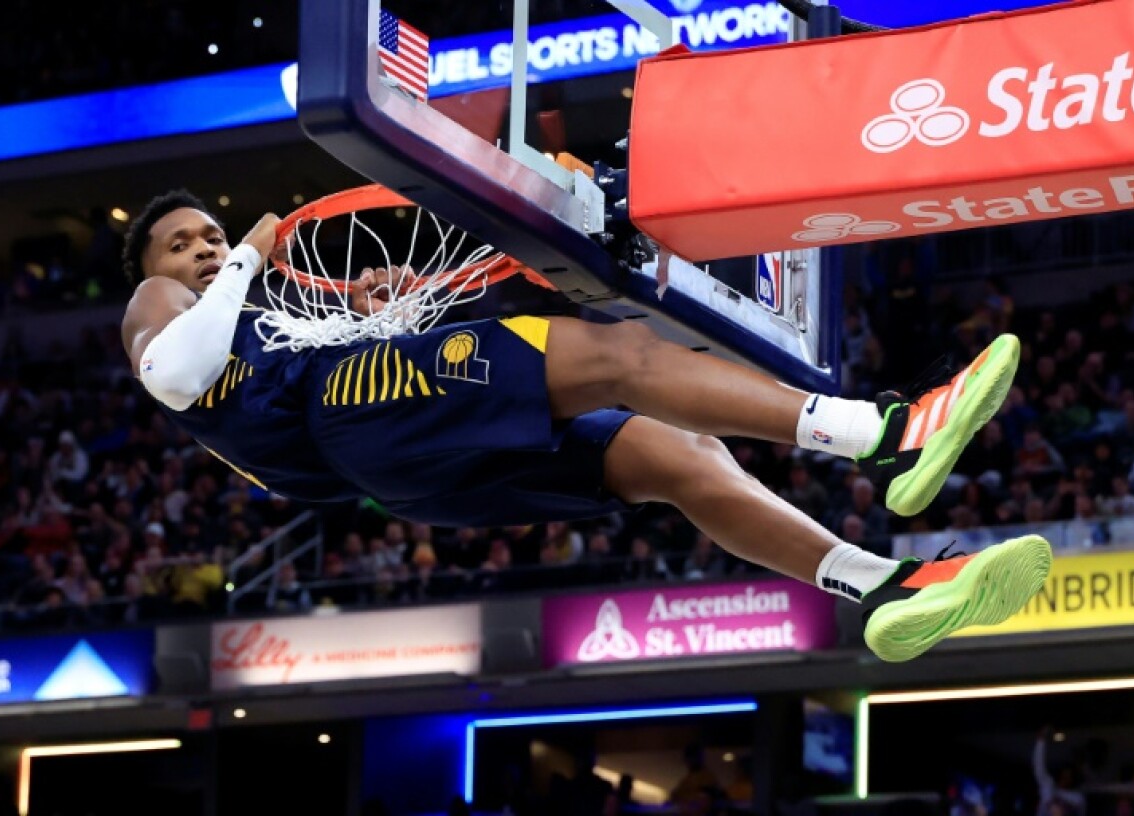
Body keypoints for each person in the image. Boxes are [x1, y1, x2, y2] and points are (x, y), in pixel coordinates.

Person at [118, 190, 1053, 662]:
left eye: (210, 234)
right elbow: (174, 372)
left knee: (679, 457)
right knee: (616, 357)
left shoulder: (257, 321)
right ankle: (886, 432)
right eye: (181, 240)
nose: (202, 246)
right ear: (152, 265)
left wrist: (372, 305)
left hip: (395, 472)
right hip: (349, 420)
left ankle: (882, 587)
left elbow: (246, 367)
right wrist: (244, 254)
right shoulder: (164, 303)